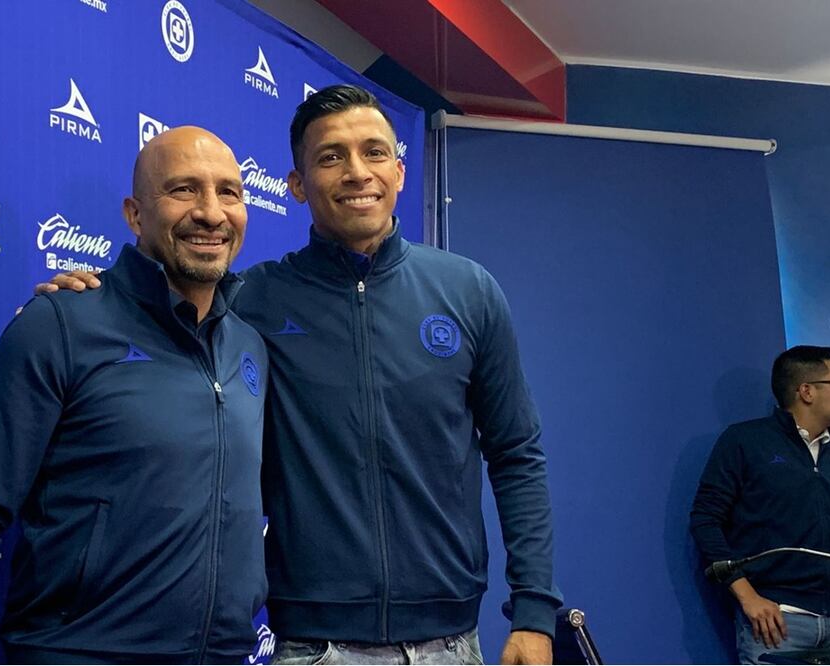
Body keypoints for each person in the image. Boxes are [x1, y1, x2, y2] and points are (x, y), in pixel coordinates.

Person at [41, 85, 561, 664]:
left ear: (400, 171)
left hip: (452, 641)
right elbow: (156, 308)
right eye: (331, 157)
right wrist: (89, 296)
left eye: (374, 152)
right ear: (295, 185)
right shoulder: (251, 299)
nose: (357, 173)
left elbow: (517, 453)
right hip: (312, 645)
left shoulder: (469, 291)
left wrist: (535, 611)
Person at [0, 127, 270, 664]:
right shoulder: (62, 322)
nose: (211, 212)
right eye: (182, 190)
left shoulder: (249, 345)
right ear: (134, 214)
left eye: (229, 192)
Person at [691, 345, 830, 664]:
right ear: (806, 391)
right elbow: (705, 520)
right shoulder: (745, 441)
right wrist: (747, 596)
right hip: (778, 626)